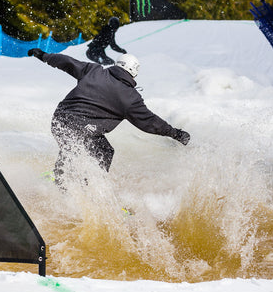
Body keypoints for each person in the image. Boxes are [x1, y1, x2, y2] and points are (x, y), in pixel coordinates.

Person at [28, 48, 190, 188]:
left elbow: (68, 62)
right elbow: (150, 122)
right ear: (134, 72)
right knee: (96, 150)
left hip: (59, 120)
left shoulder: (94, 71)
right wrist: (175, 133)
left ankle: (60, 176)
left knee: (84, 148)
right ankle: (86, 186)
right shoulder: (130, 98)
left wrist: (43, 55)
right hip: (80, 128)